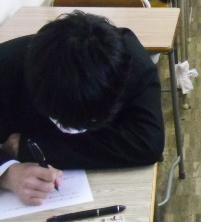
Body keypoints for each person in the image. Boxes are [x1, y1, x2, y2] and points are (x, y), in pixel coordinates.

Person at [0, 11, 165, 206]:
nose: (68, 131)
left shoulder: (132, 66)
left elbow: (147, 143)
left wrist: (29, 147)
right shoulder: (6, 66)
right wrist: (8, 173)